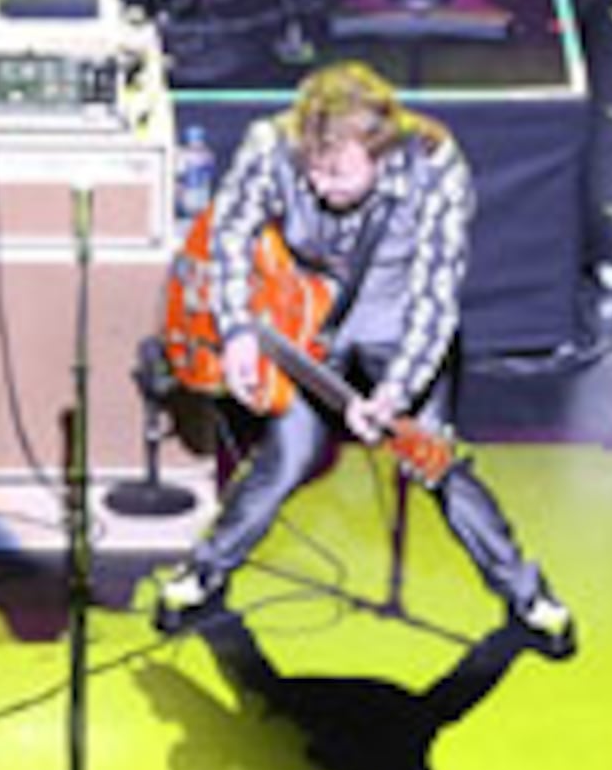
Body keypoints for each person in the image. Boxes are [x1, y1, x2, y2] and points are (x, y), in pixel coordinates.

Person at [148, 61, 574, 658]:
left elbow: (434, 296)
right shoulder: (273, 145)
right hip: (306, 322)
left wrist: (395, 393)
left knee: (434, 459)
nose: (320, 185)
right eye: (312, 170)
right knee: (284, 461)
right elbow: (229, 233)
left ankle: (527, 595)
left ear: (378, 148)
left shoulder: (434, 163)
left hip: (396, 321)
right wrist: (238, 328)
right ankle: (203, 572)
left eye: (338, 172)